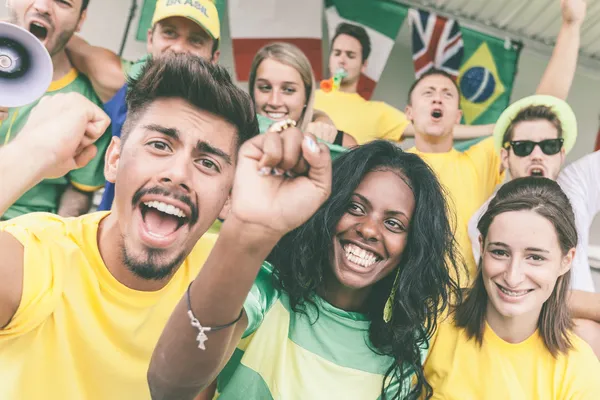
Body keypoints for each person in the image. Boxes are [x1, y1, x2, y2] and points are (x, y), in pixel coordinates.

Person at [0, 54, 258, 399]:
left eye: (208, 162)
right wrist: (31, 152)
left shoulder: (230, 275)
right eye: (159, 144)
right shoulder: (37, 255)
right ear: (114, 159)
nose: (178, 174)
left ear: (229, 197)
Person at [147, 139, 464, 399]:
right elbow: (170, 386)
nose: (369, 230)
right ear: (327, 208)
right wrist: (246, 228)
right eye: (355, 207)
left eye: (393, 223)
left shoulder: (406, 342)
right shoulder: (264, 291)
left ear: (413, 247)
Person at [405, 0, 585, 283]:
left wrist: (571, 25)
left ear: (459, 116)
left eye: (447, 94)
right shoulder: (395, 166)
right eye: (428, 92)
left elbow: (543, 105)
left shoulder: (480, 160)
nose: (438, 97)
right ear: (409, 113)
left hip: (459, 312)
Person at [424, 177, 600, 398]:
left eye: (535, 257)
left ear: (566, 260)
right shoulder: (433, 327)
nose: (513, 276)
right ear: (482, 246)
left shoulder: (579, 368)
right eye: (500, 252)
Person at [468, 95, 600, 357]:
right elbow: (517, 293)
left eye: (549, 146)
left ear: (561, 154)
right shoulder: (488, 218)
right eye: (524, 147)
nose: (537, 155)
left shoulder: (574, 185)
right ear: (505, 156)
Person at [66, 0, 221, 212]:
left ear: (214, 57)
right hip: (108, 232)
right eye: (169, 33)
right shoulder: (120, 84)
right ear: (150, 39)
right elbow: (64, 36)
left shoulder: (223, 120)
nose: (178, 48)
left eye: (195, 41)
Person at [0, 0, 111, 220]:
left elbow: (79, 191)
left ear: (81, 20)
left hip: (25, 232)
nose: (42, 6)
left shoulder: (85, 104)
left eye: (63, 1)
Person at [314, 22, 494, 145]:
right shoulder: (309, 95)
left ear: (364, 65)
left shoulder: (378, 111)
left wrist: (493, 128)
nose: (342, 60)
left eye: (350, 55)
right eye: (337, 53)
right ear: (330, 58)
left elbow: (435, 127)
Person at [249, 42, 357, 147]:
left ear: (307, 95)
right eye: (265, 88)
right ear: (252, 91)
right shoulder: (237, 138)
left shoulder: (341, 143)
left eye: (288, 90)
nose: (274, 101)